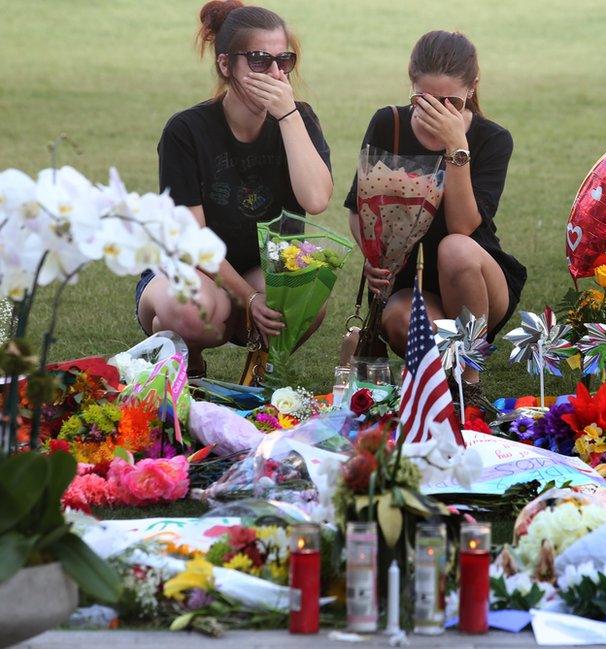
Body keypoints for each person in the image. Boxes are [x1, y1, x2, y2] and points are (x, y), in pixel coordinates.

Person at [137, 0, 333, 378]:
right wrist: (249, 297)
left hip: (264, 265)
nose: (275, 74)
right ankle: (186, 361)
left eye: (284, 61)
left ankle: (258, 371)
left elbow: (316, 199)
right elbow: (191, 241)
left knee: (308, 294)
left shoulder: (299, 118)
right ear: (226, 65)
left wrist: (288, 115)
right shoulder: (187, 130)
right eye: (259, 60)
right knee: (193, 311)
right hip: (192, 269)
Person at [345, 30, 526, 387]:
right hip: (409, 281)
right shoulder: (389, 123)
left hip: (477, 280)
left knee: (454, 248)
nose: (439, 113)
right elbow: (359, 208)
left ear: (472, 89)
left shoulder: (492, 139)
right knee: (401, 320)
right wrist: (373, 256)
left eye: (452, 103)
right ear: (411, 84)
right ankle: (443, 379)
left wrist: (456, 146)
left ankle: (470, 378)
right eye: (425, 101)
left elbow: (462, 226)